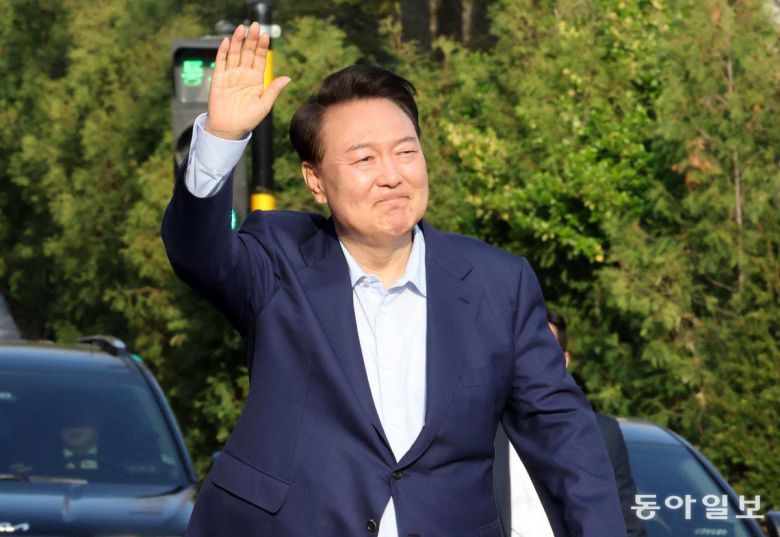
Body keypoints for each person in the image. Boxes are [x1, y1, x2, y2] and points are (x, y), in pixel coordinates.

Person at [162, 22, 626, 537]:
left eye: (406, 152)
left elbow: (562, 435)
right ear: (316, 180)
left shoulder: (497, 283)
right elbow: (197, 252)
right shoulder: (279, 257)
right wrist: (222, 137)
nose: (392, 175)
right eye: (364, 158)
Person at [493, 310, 646, 537]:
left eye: (542, 353)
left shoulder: (603, 433)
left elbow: (627, 525)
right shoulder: (482, 432)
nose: (531, 363)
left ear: (564, 360)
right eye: (523, 353)